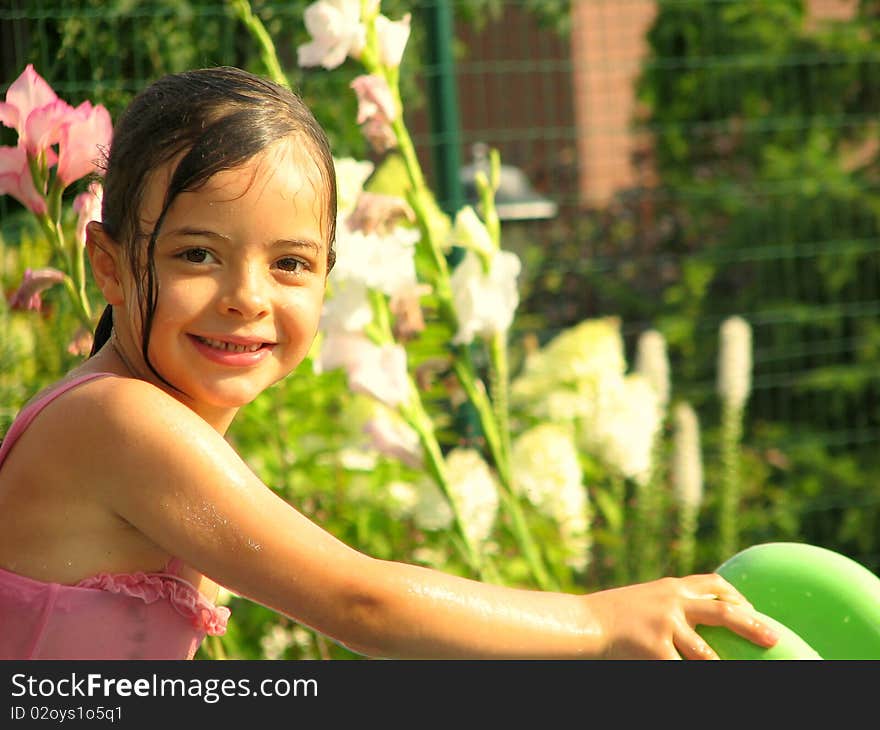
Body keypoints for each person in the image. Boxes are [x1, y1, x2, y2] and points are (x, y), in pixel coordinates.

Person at [0, 66, 778, 660]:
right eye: (197, 253)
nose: (247, 297)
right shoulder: (117, 421)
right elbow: (359, 602)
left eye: (291, 264)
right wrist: (595, 621)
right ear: (106, 263)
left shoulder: (140, 417)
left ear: (329, 275)